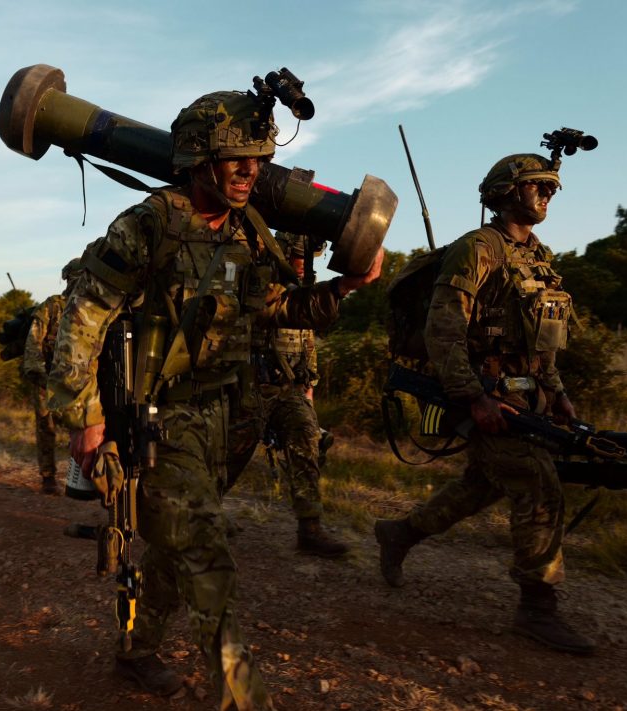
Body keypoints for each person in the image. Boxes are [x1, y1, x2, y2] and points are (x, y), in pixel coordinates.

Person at [49, 90, 382, 707]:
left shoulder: (249, 230)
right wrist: (84, 415)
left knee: (178, 549)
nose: (251, 170)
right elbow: (83, 314)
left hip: (224, 417)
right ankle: (242, 697)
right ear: (199, 158)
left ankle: (136, 651)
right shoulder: (150, 223)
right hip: (157, 421)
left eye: (258, 157)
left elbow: (275, 309)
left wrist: (348, 286)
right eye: (237, 159)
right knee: (207, 556)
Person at [374, 153, 594, 655]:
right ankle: (537, 608)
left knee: (480, 487)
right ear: (504, 193)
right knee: (538, 483)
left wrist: (556, 391)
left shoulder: (538, 256)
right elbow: (443, 329)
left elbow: (540, 341)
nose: (547, 195)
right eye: (537, 186)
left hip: (526, 399)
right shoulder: (478, 248)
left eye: (551, 188)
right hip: (481, 396)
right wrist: (472, 397)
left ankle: (399, 534)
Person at [244, 232, 349, 557]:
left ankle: (310, 528)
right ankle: (205, 516)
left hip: (289, 391)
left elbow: (307, 343)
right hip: (249, 387)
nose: (306, 266)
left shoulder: (303, 293)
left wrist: (308, 392)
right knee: (225, 454)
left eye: (310, 260)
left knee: (307, 437)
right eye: (302, 258)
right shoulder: (261, 284)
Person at [21, 258, 82, 494]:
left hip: (77, 380)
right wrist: (37, 372)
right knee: (46, 427)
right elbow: (34, 341)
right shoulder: (53, 306)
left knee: (80, 426)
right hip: (46, 378)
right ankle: (48, 477)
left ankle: (80, 478)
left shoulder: (88, 307)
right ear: (67, 278)